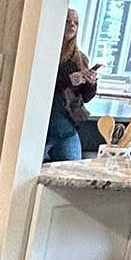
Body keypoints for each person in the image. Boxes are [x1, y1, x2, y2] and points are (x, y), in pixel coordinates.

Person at [45, 8, 99, 162]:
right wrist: (68, 80)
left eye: (76, 23)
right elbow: (41, 84)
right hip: (42, 126)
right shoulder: (45, 52)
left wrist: (91, 83)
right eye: (67, 21)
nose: (72, 26)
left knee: (73, 169)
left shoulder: (80, 59)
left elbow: (86, 97)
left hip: (66, 128)